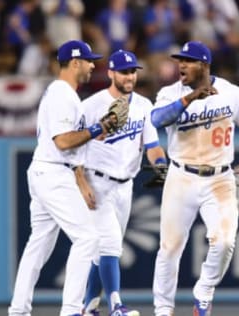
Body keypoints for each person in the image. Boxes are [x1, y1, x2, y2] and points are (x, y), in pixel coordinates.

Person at [150, 41, 239, 316]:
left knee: (225, 241)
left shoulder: (231, 93)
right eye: (180, 60)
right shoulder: (171, 93)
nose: (182, 65)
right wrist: (189, 99)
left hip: (220, 178)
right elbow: (155, 120)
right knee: (169, 249)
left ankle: (204, 291)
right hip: (181, 176)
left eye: (189, 61)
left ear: (204, 65)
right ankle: (163, 309)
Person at [8, 40, 108, 316]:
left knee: (37, 246)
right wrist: (97, 128)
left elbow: (69, 145)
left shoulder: (62, 93)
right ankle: (72, 310)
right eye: (89, 61)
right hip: (53, 173)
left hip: (49, 170)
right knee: (87, 238)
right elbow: (64, 141)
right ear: (75, 62)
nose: (92, 65)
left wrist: (80, 177)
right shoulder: (62, 94)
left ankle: (18, 310)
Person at [79, 49, 167, 316]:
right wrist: (81, 183)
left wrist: (161, 168)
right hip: (97, 182)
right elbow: (72, 149)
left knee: (101, 252)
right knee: (110, 244)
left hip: (124, 186)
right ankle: (116, 305)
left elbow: (152, 146)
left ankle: (88, 307)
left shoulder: (142, 105)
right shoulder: (91, 106)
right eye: (124, 71)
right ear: (111, 73)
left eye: (132, 71)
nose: (129, 76)